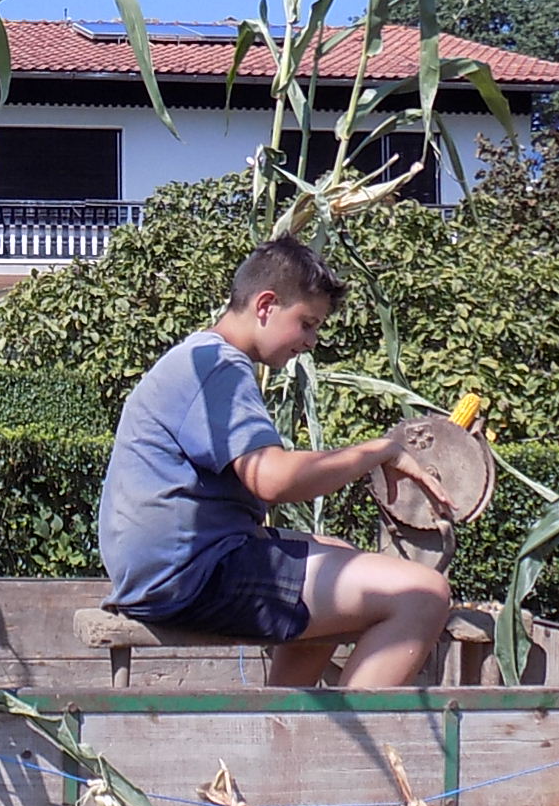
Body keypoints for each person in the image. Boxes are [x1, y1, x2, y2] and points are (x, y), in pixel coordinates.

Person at [98, 236, 451, 689]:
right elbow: (272, 479)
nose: (310, 341)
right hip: (189, 576)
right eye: (306, 323)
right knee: (422, 594)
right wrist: (378, 450)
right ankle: (338, 756)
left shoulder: (198, 357)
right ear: (265, 305)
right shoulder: (218, 366)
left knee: (337, 553)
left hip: (168, 569)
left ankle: (285, 729)